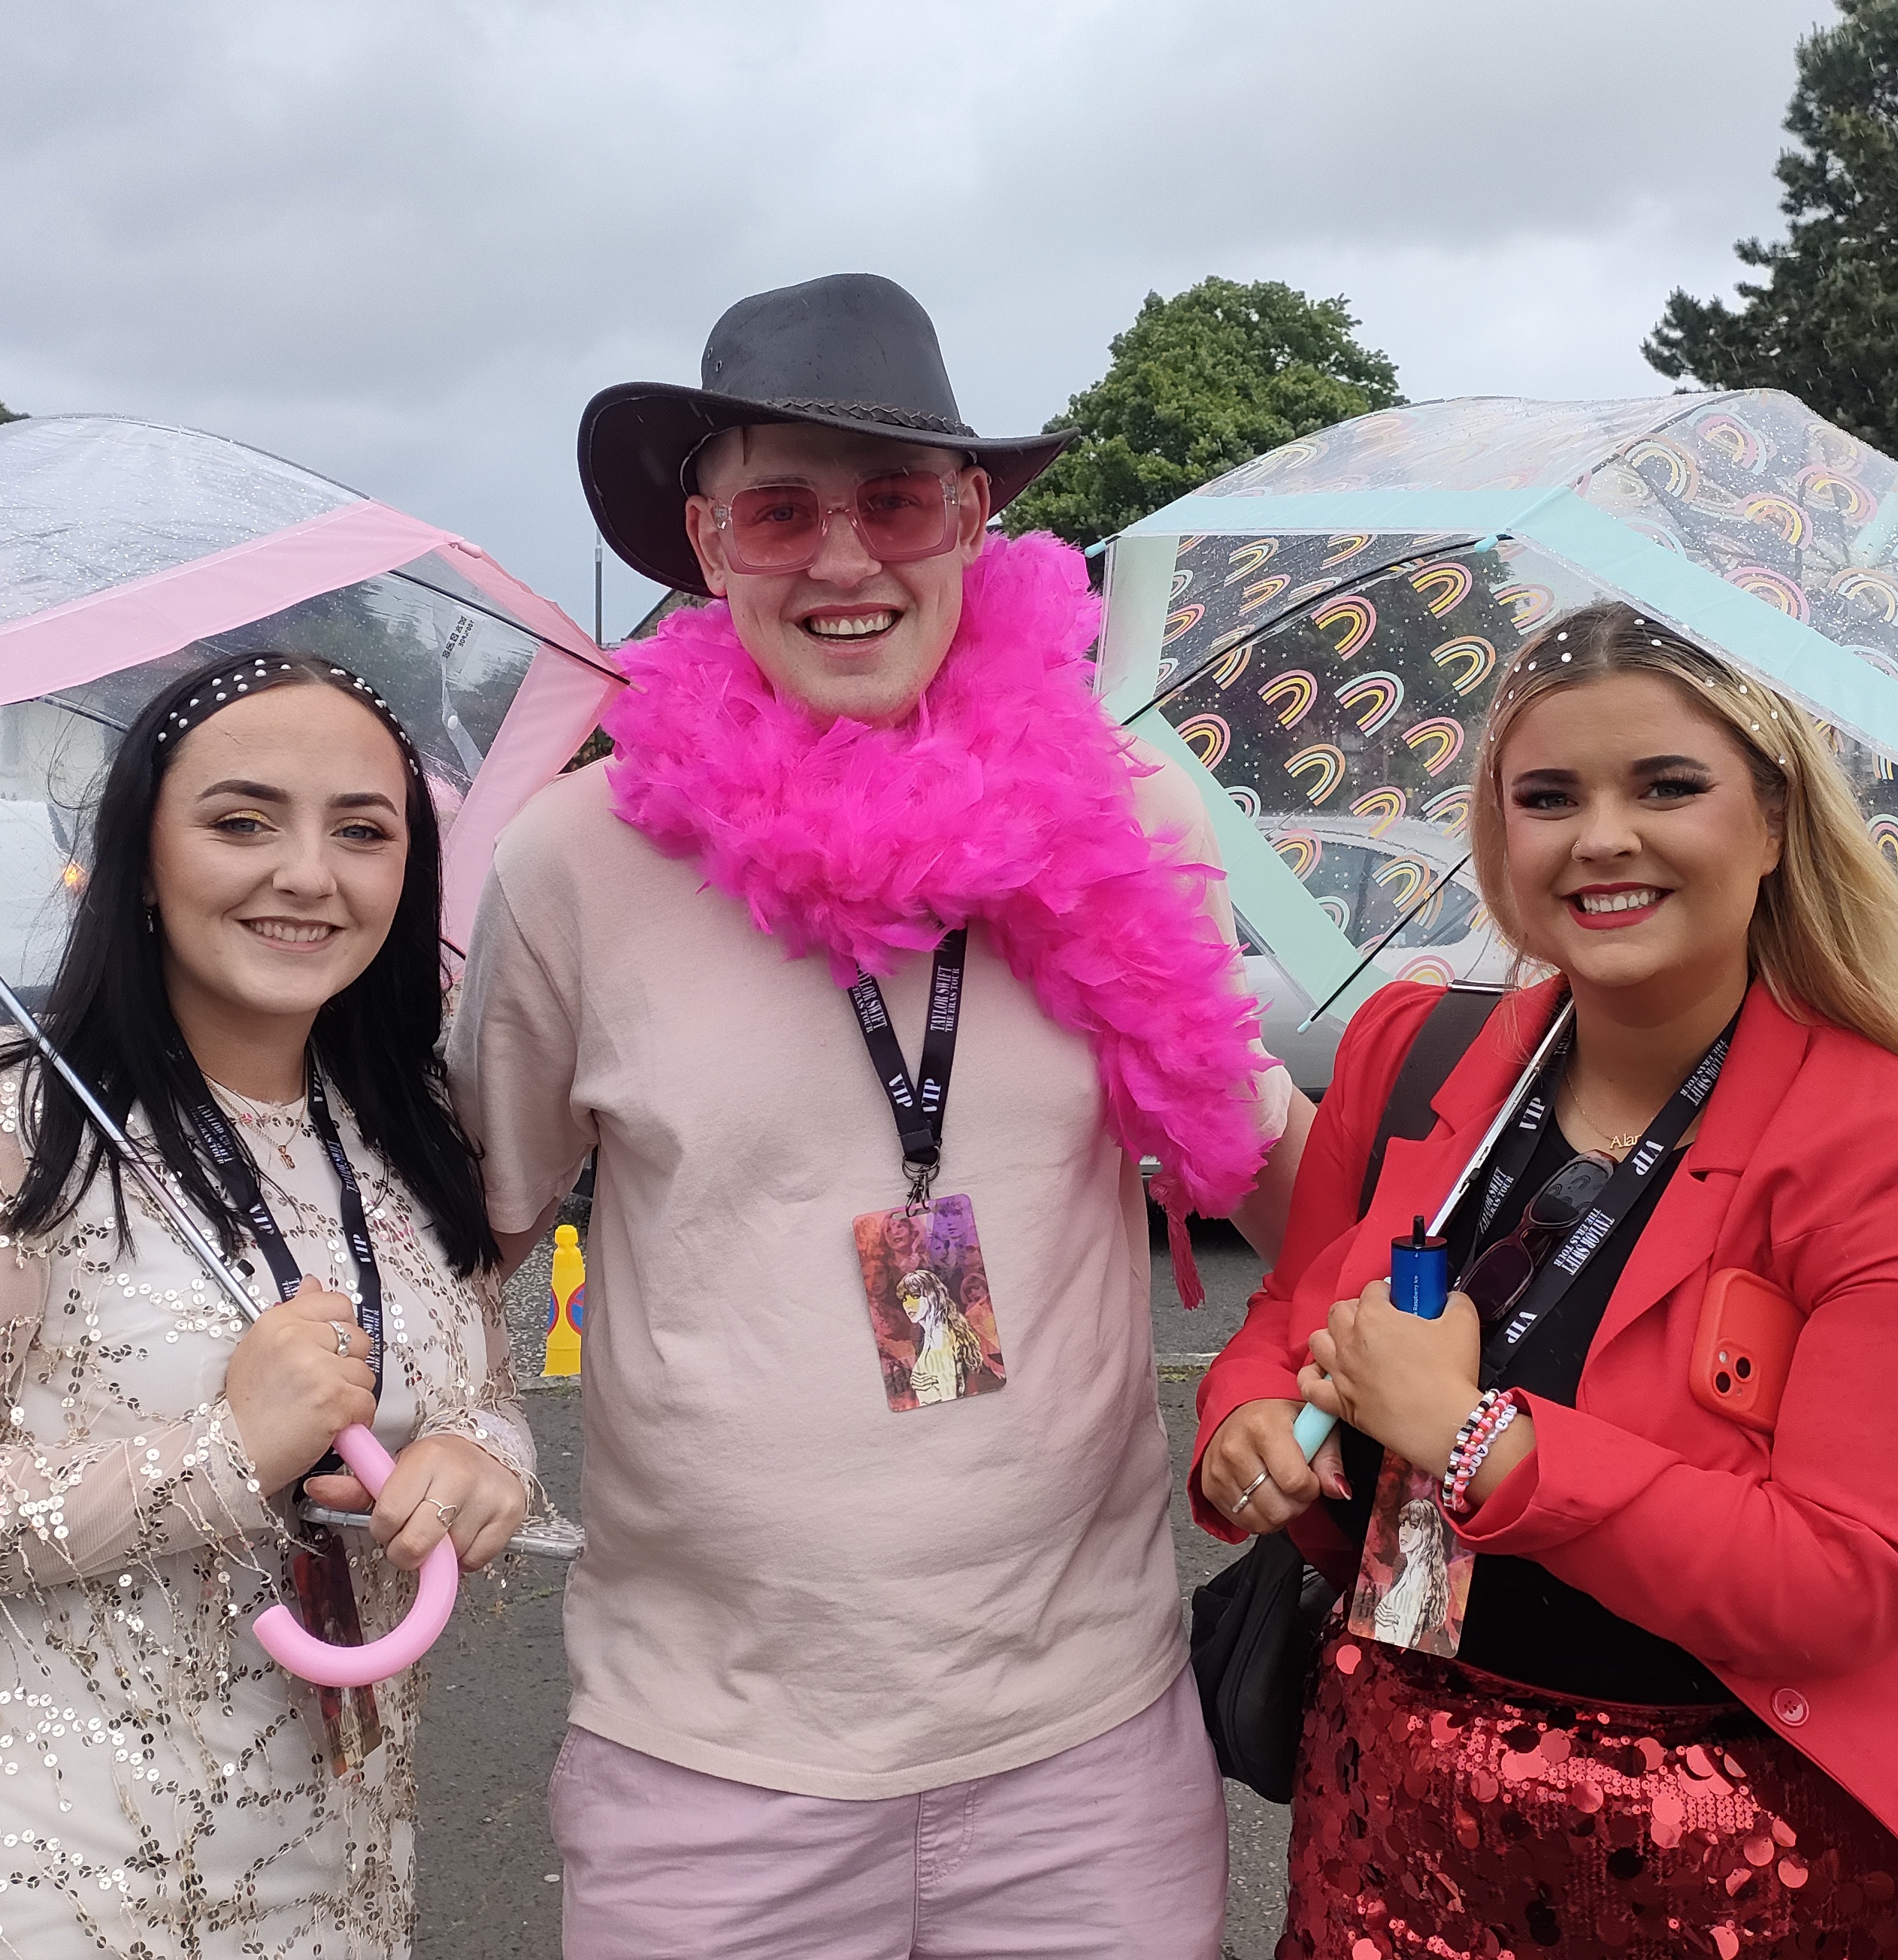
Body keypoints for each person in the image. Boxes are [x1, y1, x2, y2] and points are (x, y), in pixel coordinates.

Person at [448, 272, 1306, 1960]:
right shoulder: (576, 859)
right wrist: (456, 1427)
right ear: (706, 544)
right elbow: (464, 1223)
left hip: (1084, 1748)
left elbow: (1273, 1174)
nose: (845, 561)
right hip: (709, 1765)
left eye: (895, 500)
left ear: (972, 519)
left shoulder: (1116, 811)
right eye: (782, 510)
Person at [1194, 605, 1898, 1958]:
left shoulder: (1897, 1149)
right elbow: (1288, 1313)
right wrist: (1239, 1417)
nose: (1599, 836)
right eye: (1546, 795)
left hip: (1727, 1846)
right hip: (1382, 1806)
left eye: (1664, 785)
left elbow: (1847, 1572)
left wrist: (1477, 1439)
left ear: (1768, 823)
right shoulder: (1409, 1052)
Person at [0, 649, 531, 1957]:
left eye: (362, 829)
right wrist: (225, 1459)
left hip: (338, 1877)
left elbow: (484, 1402)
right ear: (141, 855)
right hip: (40, 1888)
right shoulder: (3, 1119)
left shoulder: (409, 1120)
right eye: (241, 820)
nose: (307, 872)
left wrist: (477, 1467)